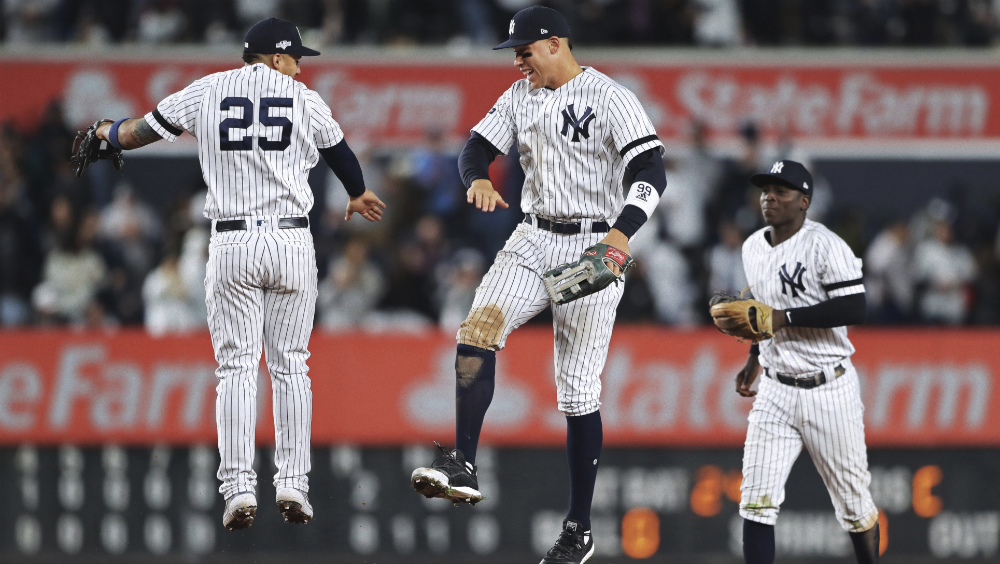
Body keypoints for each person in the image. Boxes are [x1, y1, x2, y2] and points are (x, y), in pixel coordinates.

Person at [85, 18, 386, 530]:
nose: (299, 66)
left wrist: (104, 133)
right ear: (274, 58)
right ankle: (293, 483)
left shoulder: (208, 90)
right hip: (291, 241)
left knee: (237, 368)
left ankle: (238, 489)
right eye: (295, 58)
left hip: (231, 242)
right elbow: (340, 154)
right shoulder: (304, 99)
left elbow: (141, 131)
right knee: (291, 365)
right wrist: (356, 192)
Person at [408, 6, 667, 563]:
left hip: (595, 247)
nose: (519, 60)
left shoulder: (611, 97)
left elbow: (651, 172)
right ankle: (463, 461)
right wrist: (476, 177)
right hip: (532, 237)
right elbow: (475, 147)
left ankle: (578, 528)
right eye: (516, 52)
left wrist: (622, 237)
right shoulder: (519, 94)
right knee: (476, 328)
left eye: (525, 50)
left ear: (554, 44)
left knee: (577, 393)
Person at [732, 160, 880, 564]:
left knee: (854, 507)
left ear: (804, 201)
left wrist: (786, 318)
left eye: (781, 191)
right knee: (756, 502)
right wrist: (754, 358)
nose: (770, 197)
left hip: (828, 388)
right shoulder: (752, 247)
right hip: (776, 388)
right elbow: (763, 312)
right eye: (766, 190)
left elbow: (856, 306)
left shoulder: (826, 245)